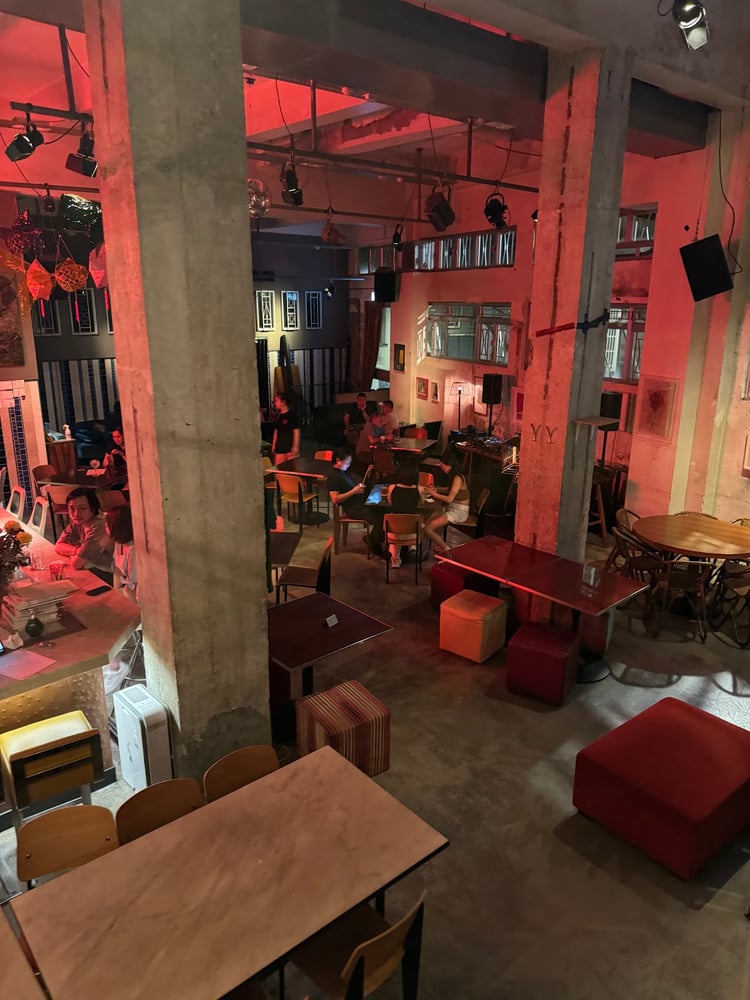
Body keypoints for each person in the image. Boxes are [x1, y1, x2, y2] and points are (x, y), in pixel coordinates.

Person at [327, 448, 384, 555]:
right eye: (347, 462)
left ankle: (375, 538)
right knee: (382, 518)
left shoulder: (344, 472)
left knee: (384, 511)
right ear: (338, 460)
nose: (349, 465)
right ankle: (373, 541)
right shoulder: (333, 477)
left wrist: (359, 487)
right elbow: (335, 499)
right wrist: (354, 491)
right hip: (354, 509)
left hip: (359, 502)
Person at [55, 488, 114, 574]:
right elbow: (58, 546)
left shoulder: (99, 526)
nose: (76, 514)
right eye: (72, 509)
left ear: (93, 508)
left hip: (110, 573)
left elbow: (76, 564)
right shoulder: (79, 520)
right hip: (92, 567)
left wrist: (77, 554)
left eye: (82, 508)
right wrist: (77, 550)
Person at [422, 450, 470, 553]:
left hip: (458, 511)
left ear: (450, 466)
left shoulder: (458, 478)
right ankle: (438, 544)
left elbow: (449, 499)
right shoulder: (456, 475)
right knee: (429, 519)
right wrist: (437, 489)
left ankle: (446, 549)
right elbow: (450, 489)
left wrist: (434, 494)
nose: (441, 468)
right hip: (453, 507)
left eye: (442, 465)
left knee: (428, 529)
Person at [385, 462, 423, 568]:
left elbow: (390, 502)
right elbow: (421, 503)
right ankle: (412, 545)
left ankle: (395, 560)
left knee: (395, 523)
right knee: (421, 520)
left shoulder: (392, 487)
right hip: (412, 532)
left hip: (394, 531)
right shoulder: (419, 489)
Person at [106, 504, 138, 602]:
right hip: (127, 591)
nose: (105, 526)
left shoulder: (134, 551)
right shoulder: (119, 543)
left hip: (137, 596)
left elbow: (134, 587)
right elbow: (117, 570)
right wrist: (115, 592)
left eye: (107, 524)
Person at [271, 392, 300, 464]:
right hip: (280, 447)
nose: (275, 403)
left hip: (289, 447)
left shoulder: (291, 415)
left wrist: (295, 446)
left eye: (276, 401)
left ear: (283, 402)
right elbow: (276, 431)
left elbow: (296, 431)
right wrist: (274, 444)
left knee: (290, 467)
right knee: (279, 468)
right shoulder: (278, 416)